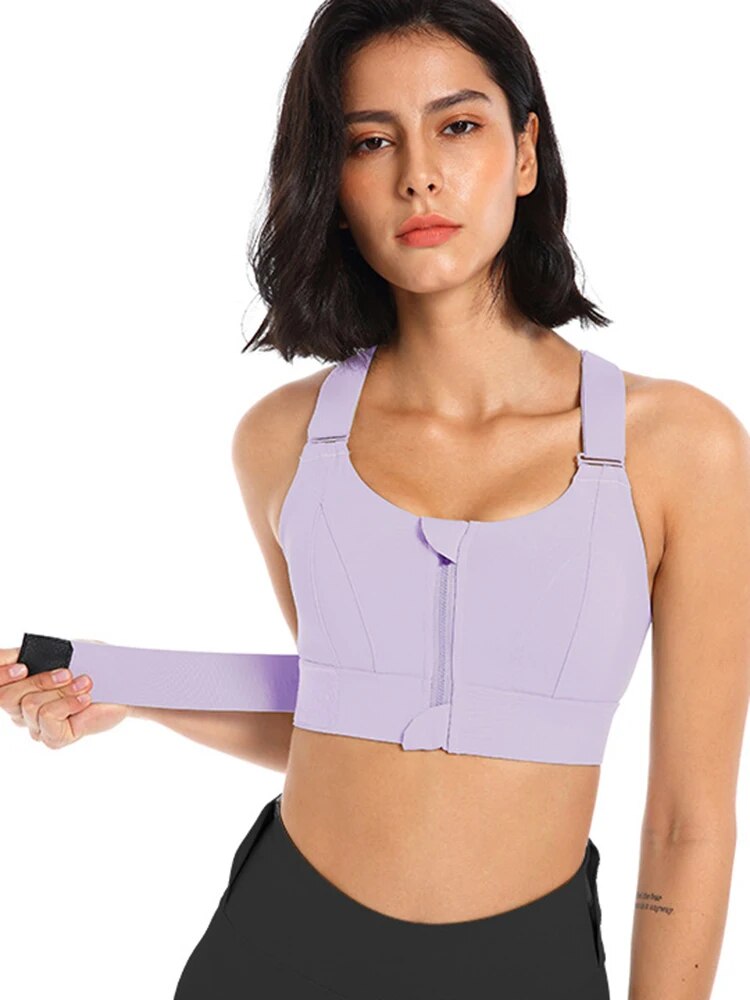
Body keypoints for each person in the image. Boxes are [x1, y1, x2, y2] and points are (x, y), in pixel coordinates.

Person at [3, 2, 749, 997]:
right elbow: (339, 716)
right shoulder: (282, 441)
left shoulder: (681, 447)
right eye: (370, 141)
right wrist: (127, 691)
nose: (418, 175)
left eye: (459, 125)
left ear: (526, 152)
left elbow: (689, 821)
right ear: (335, 182)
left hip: (527, 963)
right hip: (277, 949)